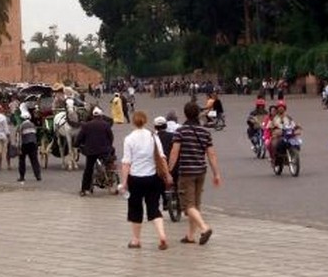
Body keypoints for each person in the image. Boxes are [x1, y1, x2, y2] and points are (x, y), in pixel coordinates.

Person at [168, 101, 221, 245]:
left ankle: (204, 228)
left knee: (187, 205)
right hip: (201, 172)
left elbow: (174, 152)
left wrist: (169, 170)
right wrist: (216, 173)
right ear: (198, 114)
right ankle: (190, 236)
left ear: (185, 114)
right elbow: (211, 154)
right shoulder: (205, 132)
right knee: (195, 205)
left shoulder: (181, 131)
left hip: (186, 172)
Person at [118, 110, 170, 250]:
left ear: (133, 122)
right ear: (145, 121)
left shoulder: (129, 139)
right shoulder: (153, 136)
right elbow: (161, 156)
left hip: (136, 178)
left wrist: (124, 183)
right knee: (154, 207)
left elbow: (126, 163)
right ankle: (162, 236)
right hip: (153, 177)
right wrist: (167, 174)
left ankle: (136, 240)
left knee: (135, 209)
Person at [75, 106, 115, 196]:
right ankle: (109, 177)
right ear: (101, 115)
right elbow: (111, 137)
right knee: (107, 163)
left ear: (93, 116)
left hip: (91, 151)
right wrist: (108, 146)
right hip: (104, 151)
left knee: (88, 170)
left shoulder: (86, 125)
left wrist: (76, 145)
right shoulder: (106, 125)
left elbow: (80, 138)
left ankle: (84, 189)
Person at [16, 118, 42, 182]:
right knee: (34, 160)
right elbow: (35, 134)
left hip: (24, 144)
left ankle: (22, 176)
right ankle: (38, 175)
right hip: (33, 144)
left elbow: (19, 138)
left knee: (22, 161)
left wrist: (18, 148)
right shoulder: (33, 125)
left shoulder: (21, 126)